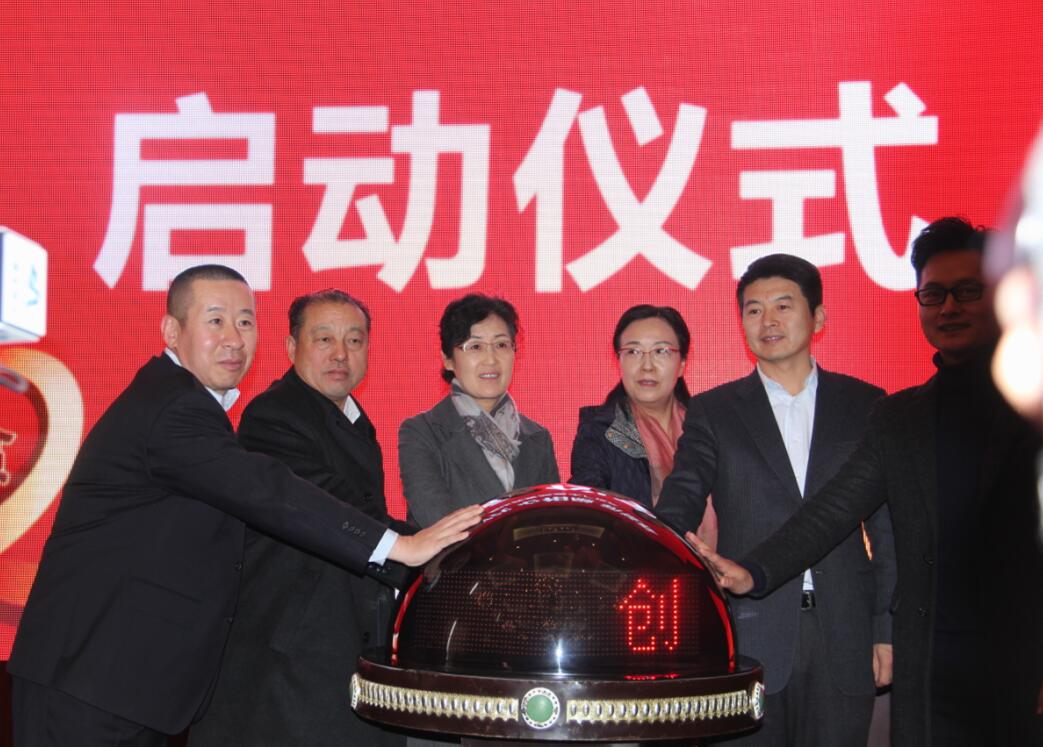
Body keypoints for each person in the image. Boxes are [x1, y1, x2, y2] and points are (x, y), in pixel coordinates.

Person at [6, 265, 481, 746]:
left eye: (246, 322)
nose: (234, 339)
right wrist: (399, 546)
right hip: (90, 676)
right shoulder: (174, 407)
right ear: (172, 330)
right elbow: (270, 491)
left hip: (128, 682)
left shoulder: (190, 405)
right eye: (215, 321)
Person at [692, 218, 1043, 746]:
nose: (949, 307)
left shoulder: (1033, 408)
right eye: (933, 294)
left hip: (1020, 658)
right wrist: (755, 573)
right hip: (931, 664)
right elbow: (832, 510)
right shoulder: (901, 418)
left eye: (968, 291)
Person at [655, 254, 896, 746]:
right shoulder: (714, 410)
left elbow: (888, 531)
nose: (768, 321)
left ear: (818, 317)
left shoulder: (867, 404)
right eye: (753, 309)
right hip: (752, 633)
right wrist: (654, 543)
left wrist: (885, 629)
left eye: (783, 306)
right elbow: (681, 499)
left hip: (846, 631)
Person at [187, 290, 408, 745]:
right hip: (290, 655)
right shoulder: (273, 415)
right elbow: (337, 507)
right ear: (291, 347)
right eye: (324, 339)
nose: (340, 353)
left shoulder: (355, 421)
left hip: (341, 645)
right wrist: (430, 548)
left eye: (354, 340)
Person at [399, 293, 559, 528]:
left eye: (501, 345)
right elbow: (439, 524)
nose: (491, 359)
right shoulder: (422, 433)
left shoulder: (537, 437)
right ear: (448, 359)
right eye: (475, 346)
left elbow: (549, 525)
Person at [568, 305, 717, 544]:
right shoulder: (599, 431)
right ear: (619, 360)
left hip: (719, 565)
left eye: (661, 351)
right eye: (633, 352)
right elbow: (587, 517)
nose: (647, 365)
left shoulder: (712, 429)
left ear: (682, 363)